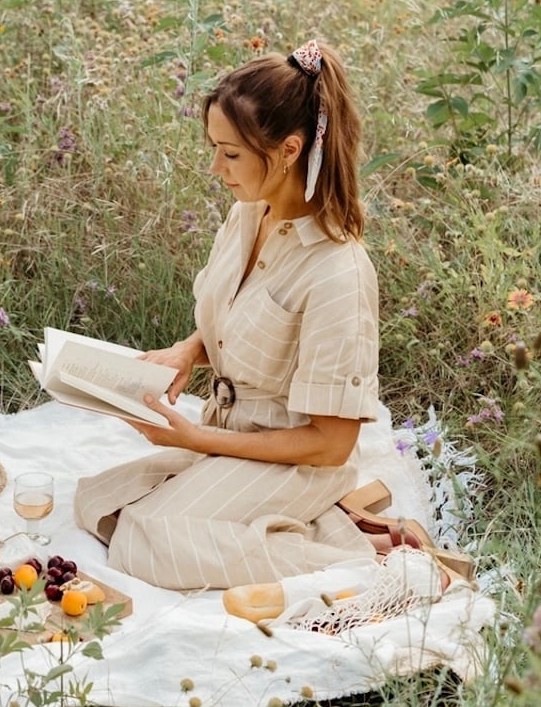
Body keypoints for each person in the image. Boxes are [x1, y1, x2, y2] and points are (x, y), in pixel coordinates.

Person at [74, 40, 383, 591]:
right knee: (99, 503)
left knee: (154, 539)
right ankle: (321, 527)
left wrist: (198, 442)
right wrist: (189, 349)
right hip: (231, 430)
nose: (214, 167)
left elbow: (330, 443)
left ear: (289, 150)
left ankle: (373, 564)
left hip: (298, 459)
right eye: (213, 147)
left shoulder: (338, 271)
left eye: (231, 153)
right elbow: (242, 312)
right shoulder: (247, 216)